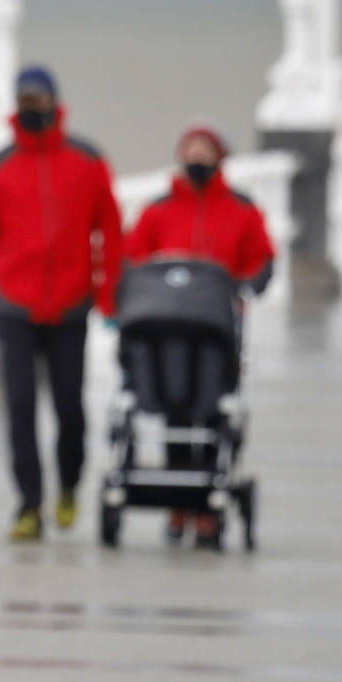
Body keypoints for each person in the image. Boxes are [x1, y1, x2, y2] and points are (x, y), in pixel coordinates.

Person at [0, 65, 124, 542]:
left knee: (70, 409)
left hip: (71, 307)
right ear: (16, 107)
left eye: (39, 101)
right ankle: (29, 505)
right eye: (25, 102)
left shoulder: (88, 162)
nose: (33, 109)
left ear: (55, 103)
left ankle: (69, 484)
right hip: (13, 308)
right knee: (21, 409)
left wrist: (109, 296)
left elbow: (110, 233)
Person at [125, 120, 275, 547]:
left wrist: (247, 285)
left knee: (213, 414)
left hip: (217, 331)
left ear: (219, 158)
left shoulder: (240, 209)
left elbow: (262, 258)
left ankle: (206, 502)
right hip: (166, 332)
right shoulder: (158, 210)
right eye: (189, 151)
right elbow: (133, 257)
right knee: (173, 409)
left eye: (203, 152)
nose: (195, 159)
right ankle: (178, 499)